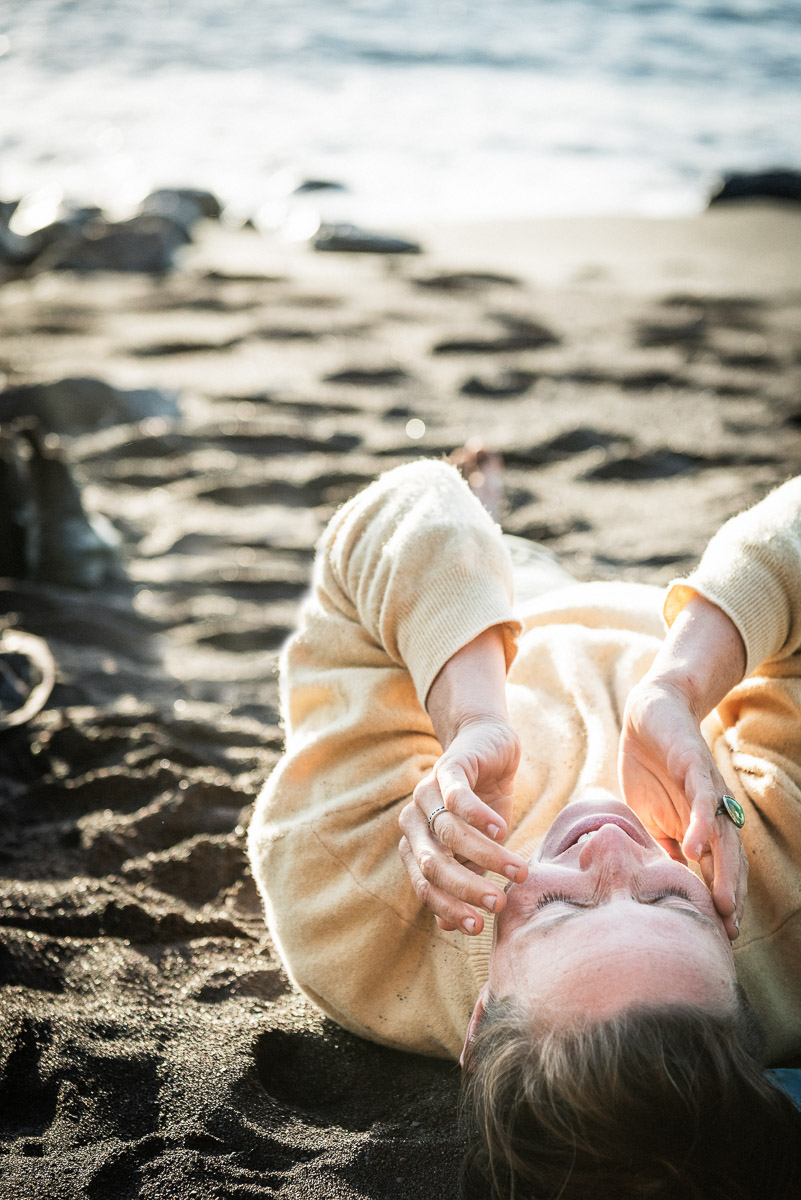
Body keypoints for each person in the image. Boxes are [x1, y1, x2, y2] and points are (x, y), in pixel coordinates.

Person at [248, 455, 801, 1198]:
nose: (609, 848)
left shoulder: (347, 916)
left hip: (479, 633)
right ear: (744, 995)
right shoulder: (788, 899)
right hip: (683, 620)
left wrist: (470, 715)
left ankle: (499, 533)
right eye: (672, 899)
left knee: (473, 544)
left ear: (481, 1022)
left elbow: (412, 502)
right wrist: (678, 684)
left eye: (560, 905)